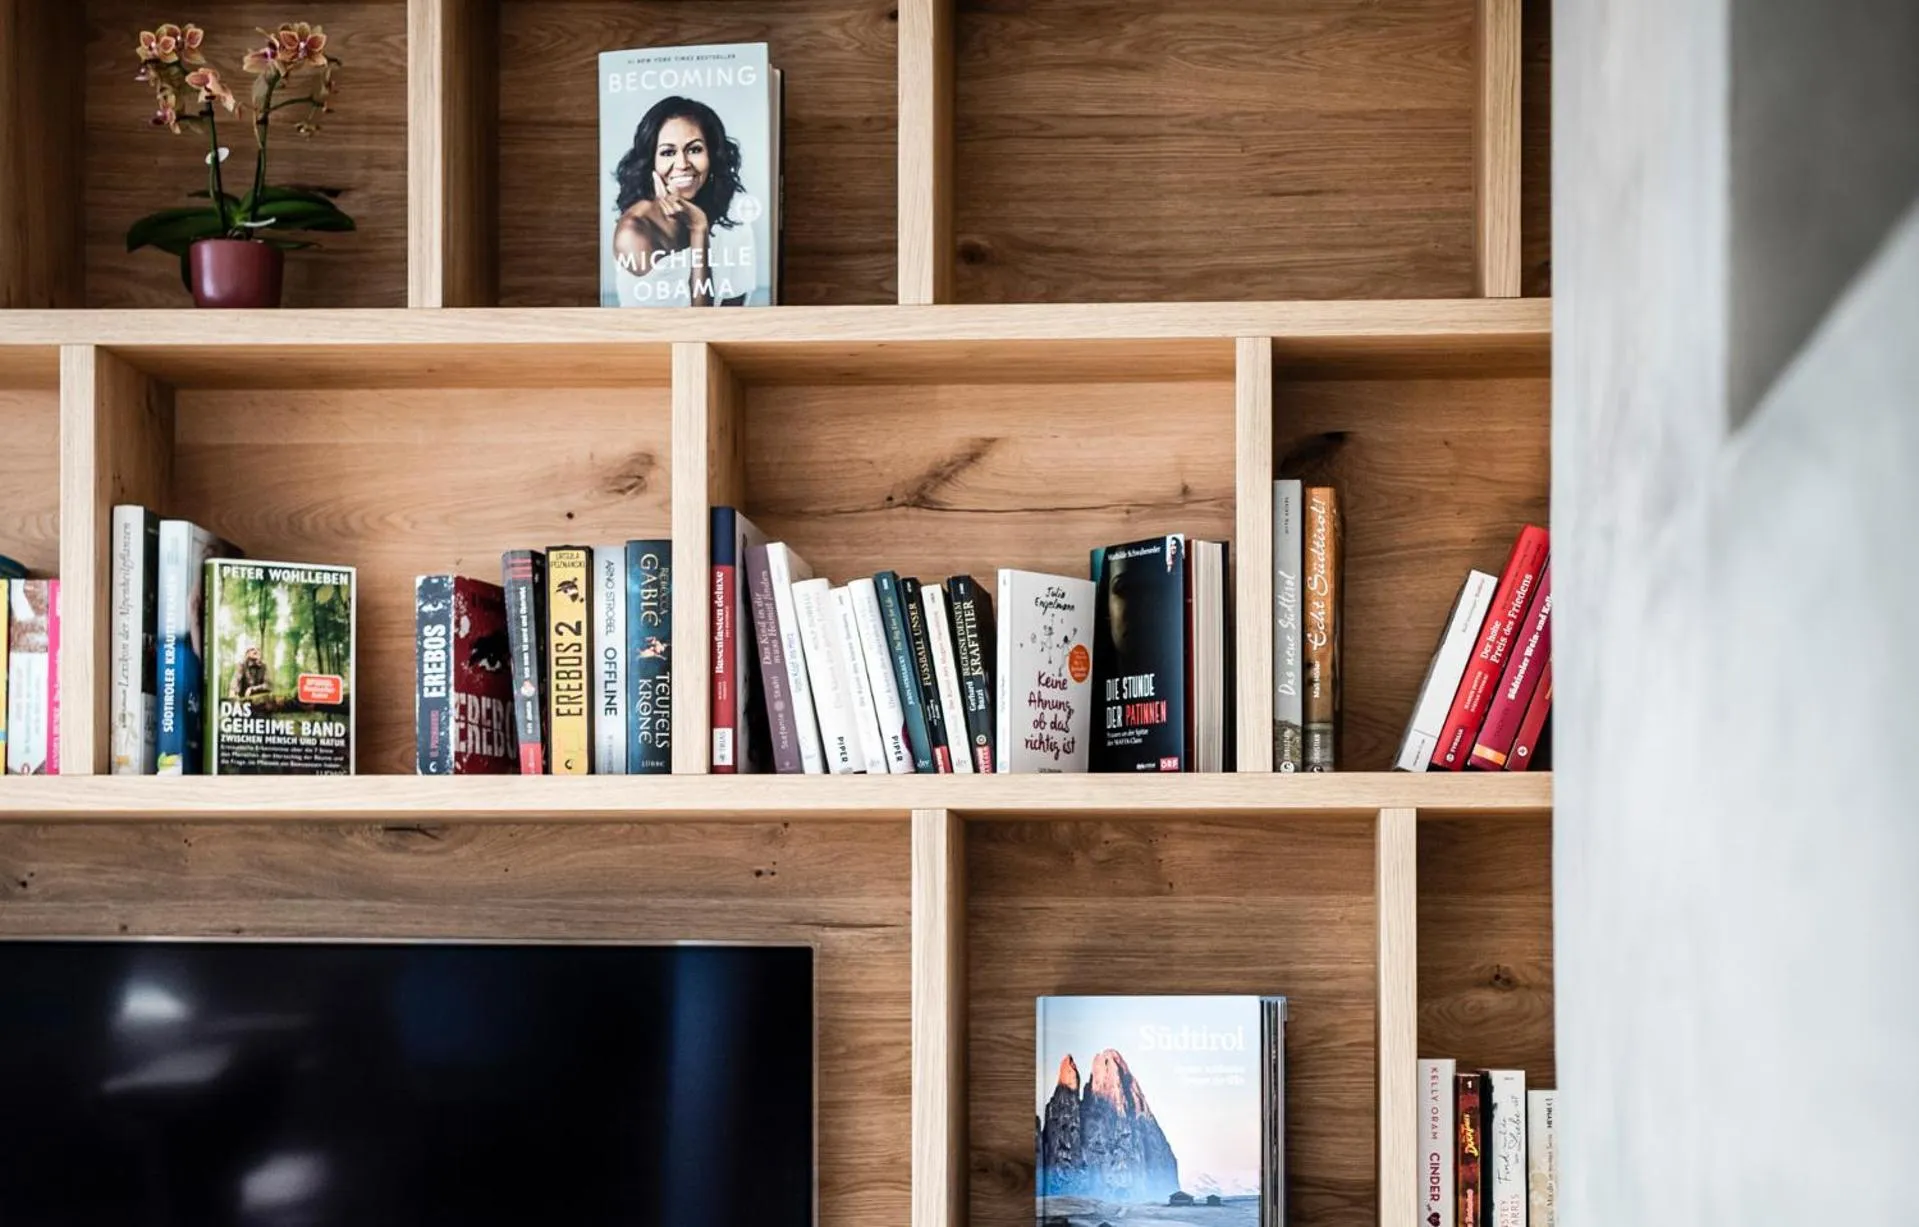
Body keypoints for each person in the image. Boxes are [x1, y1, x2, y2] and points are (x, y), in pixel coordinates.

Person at [610, 96, 755, 307]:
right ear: (651, 161)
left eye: (694, 149)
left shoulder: (733, 217)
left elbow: (733, 313)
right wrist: (698, 230)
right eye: (668, 152)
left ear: (713, 154)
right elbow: (695, 326)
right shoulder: (634, 231)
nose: (682, 164)